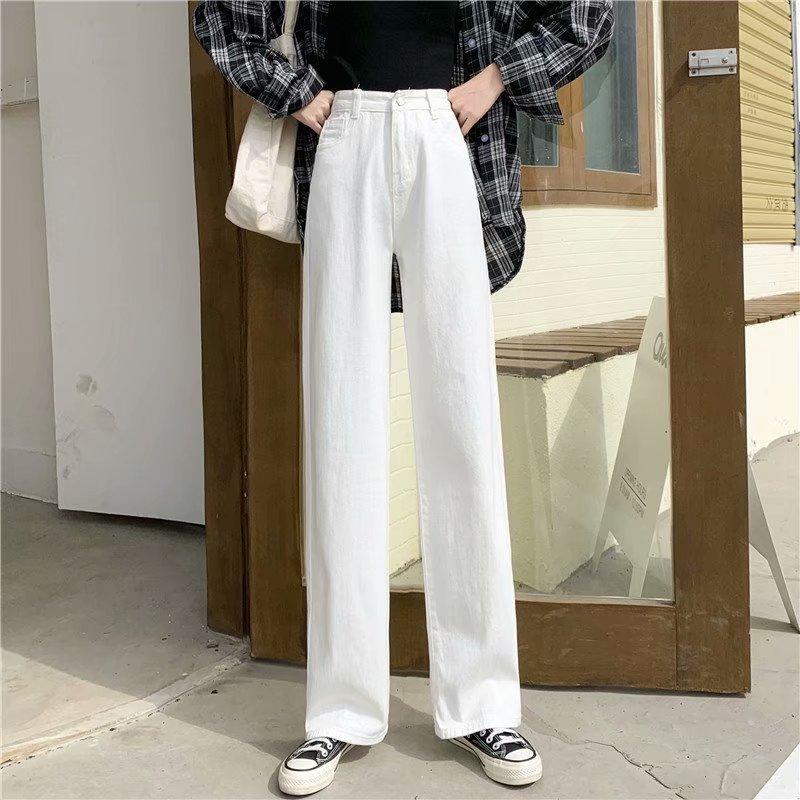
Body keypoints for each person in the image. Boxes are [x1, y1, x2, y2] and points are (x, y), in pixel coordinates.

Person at [194, 1, 614, 795]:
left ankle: (483, 702)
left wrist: (495, 79)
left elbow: (587, 14)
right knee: (340, 423)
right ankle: (338, 710)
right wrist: (298, 94)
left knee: (464, 424)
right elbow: (223, 15)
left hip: (448, 133)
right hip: (344, 132)